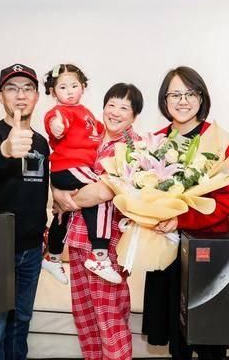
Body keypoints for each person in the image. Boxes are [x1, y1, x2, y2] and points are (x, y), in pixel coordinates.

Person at [141, 67, 229, 360]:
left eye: (190, 94)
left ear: (201, 97)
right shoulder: (155, 141)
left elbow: (226, 200)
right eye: (175, 94)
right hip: (165, 249)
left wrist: (181, 219)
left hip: (207, 248)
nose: (182, 101)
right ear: (165, 100)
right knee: (176, 339)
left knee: (211, 339)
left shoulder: (219, 139)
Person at [52, 83, 144, 360]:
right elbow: (64, 167)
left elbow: (103, 191)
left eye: (124, 108)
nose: (115, 112)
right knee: (85, 318)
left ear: (134, 115)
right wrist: (56, 189)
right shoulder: (91, 136)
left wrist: (63, 200)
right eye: (111, 105)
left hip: (108, 246)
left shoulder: (133, 146)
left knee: (109, 317)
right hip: (77, 238)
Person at [0, 64, 50, 360]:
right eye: (12, 88)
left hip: (31, 249)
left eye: (27, 89)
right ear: (0, 96)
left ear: (37, 96)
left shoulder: (41, 142)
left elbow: (39, 192)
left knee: (21, 322)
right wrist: (4, 149)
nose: (20, 95)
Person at [42, 64, 122, 285]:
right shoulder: (61, 112)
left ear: (83, 87)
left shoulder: (86, 113)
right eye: (63, 87)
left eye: (74, 86)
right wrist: (56, 126)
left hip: (71, 171)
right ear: (53, 92)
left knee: (63, 213)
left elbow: (99, 131)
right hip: (69, 166)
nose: (69, 91)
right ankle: (99, 256)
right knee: (103, 193)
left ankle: (53, 257)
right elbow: (54, 120)